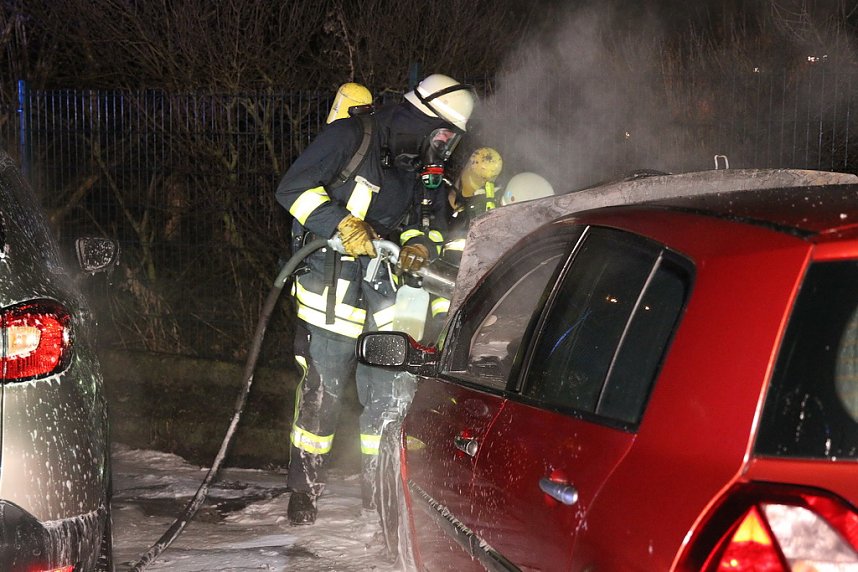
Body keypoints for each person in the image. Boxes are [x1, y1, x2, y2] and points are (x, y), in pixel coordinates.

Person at [274, 74, 476, 525]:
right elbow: (292, 189)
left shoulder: (419, 165)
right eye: (440, 134)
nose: (441, 147)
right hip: (331, 287)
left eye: (450, 139)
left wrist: (418, 244)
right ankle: (303, 489)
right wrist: (340, 222)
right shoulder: (350, 136)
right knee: (322, 392)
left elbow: (423, 219)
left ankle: (381, 486)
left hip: (388, 291)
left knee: (391, 393)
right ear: (417, 118)